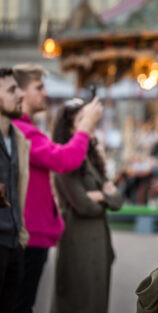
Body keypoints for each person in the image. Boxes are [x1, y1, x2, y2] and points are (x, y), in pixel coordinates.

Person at [11, 64, 102, 313]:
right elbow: (63, 160)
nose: (45, 93)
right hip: (30, 234)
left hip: (34, 233)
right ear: (18, 92)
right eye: (38, 87)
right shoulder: (22, 131)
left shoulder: (24, 130)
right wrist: (85, 127)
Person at [51, 100, 123, 313]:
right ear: (71, 127)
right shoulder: (64, 160)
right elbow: (84, 206)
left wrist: (99, 196)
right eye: (83, 119)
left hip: (100, 245)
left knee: (98, 303)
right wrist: (105, 195)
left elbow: (118, 200)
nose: (91, 122)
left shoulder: (91, 157)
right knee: (77, 303)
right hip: (77, 245)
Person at [0, 68, 30, 313]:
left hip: (14, 245)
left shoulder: (19, 139)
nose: (20, 94)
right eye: (11, 90)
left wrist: (21, 238)